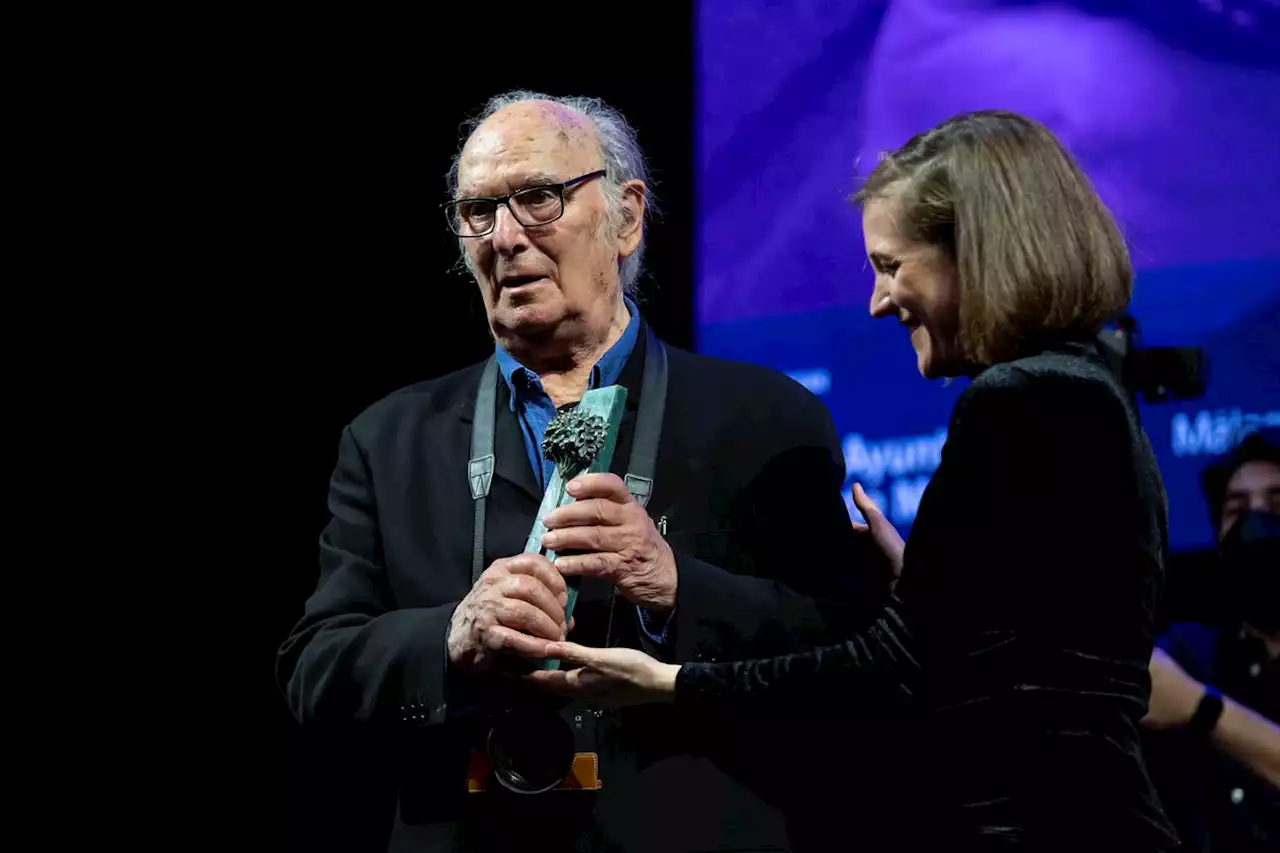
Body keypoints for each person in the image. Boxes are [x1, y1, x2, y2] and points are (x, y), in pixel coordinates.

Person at [528, 109, 1184, 851]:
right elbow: (1037, 642)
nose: (877, 301)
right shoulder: (1088, 390)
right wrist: (925, 584)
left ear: (976, 252)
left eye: (891, 265)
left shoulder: (1019, 402)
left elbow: (895, 674)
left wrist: (666, 682)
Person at [276, 90, 890, 852]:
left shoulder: (767, 419)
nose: (504, 237)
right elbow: (314, 668)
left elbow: (847, 652)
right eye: (478, 211)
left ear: (626, 218)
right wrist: (450, 637)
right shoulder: (388, 439)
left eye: (536, 198)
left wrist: (677, 588)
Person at [1141, 428, 1279, 851]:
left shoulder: (1191, 687)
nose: (1256, 525)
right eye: (1237, 511)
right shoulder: (1190, 654)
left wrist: (1202, 710)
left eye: (1277, 506)